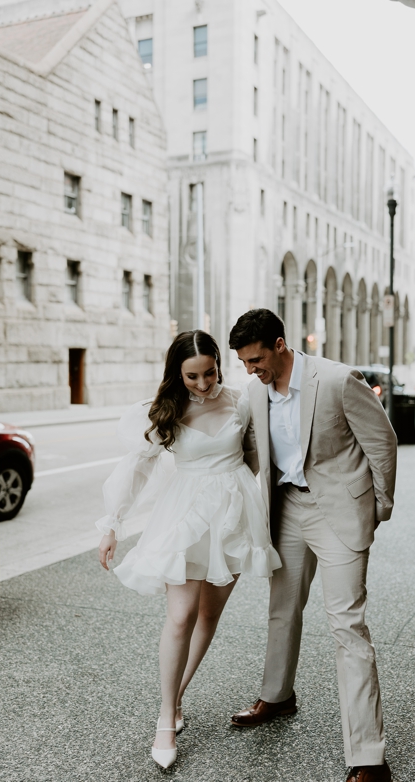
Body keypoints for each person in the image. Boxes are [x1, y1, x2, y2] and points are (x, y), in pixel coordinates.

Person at [226, 309, 399, 782]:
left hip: (339, 513)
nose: (251, 370)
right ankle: (277, 696)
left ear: (280, 345)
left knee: (347, 627)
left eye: (256, 359)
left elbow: (382, 443)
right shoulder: (254, 390)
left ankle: (368, 757)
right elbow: (246, 449)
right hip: (286, 510)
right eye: (243, 362)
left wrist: (379, 506)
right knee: (282, 609)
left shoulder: (339, 380)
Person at [96, 330, 280, 770]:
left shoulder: (241, 400)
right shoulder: (167, 410)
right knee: (179, 615)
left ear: (220, 363)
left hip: (234, 517)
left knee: (208, 615)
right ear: (177, 373)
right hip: (186, 516)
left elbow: (254, 456)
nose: (202, 384)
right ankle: (165, 719)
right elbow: (136, 468)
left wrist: (237, 492)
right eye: (192, 376)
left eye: (209, 372)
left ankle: (176, 698)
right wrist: (112, 525)